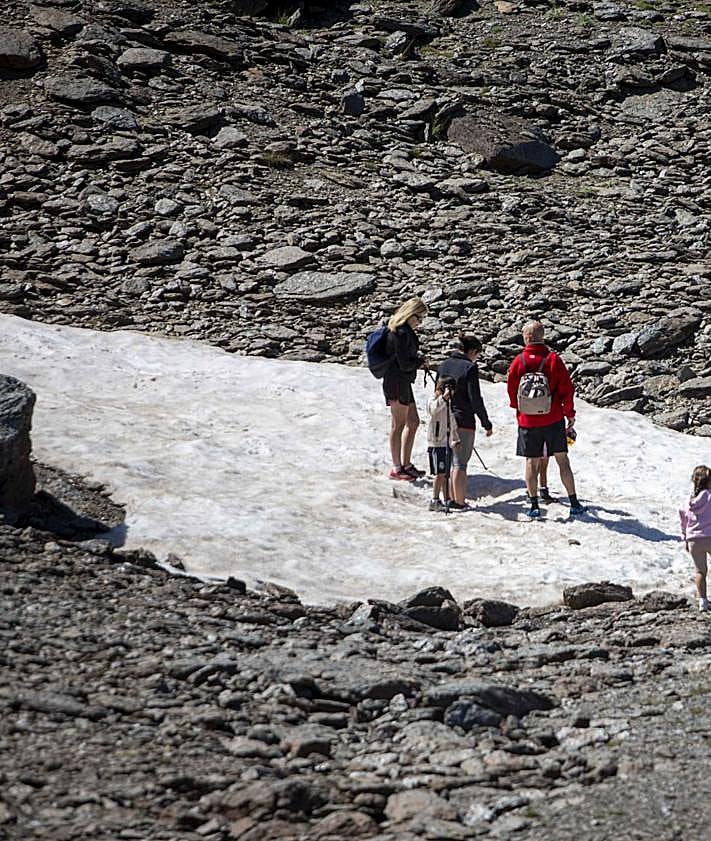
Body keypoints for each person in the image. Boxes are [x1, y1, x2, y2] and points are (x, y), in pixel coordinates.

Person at [506, 320, 584, 518]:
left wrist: (520, 409)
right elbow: (567, 389)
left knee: (531, 462)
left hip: (527, 421)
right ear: (542, 337)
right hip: (553, 418)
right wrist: (570, 414)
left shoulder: (518, 361)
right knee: (562, 460)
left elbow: (512, 391)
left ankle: (534, 506)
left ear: (527, 337)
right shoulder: (553, 359)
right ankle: (574, 503)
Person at [436, 335, 493, 511]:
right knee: (460, 462)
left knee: (447, 460)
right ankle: (459, 501)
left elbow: (437, 392)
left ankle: (447, 497)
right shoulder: (469, 368)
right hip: (463, 420)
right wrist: (486, 423)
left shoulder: (443, 365)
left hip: (443, 418)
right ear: (473, 351)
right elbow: (475, 398)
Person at [383, 297, 428, 481]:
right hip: (397, 382)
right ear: (411, 314)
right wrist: (419, 361)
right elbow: (404, 363)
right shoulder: (400, 333)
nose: (420, 322)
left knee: (413, 422)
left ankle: (406, 465)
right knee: (398, 425)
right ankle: (397, 468)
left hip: (401, 382)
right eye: (419, 317)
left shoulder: (403, 331)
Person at [679, 465, 711, 612]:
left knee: (700, 571)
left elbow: (683, 520)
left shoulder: (688, 501)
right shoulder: (709, 497)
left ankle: (702, 602)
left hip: (694, 540)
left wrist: (685, 538)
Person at [426, 376, 459, 511]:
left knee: (446, 474)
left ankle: (447, 499)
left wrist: (455, 438)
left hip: (446, 443)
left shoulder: (448, 403)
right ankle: (434, 500)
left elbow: (451, 421)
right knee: (439, 474)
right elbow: (433, 410)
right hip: (436, 443)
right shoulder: (434, 399)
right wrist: (443, 398)